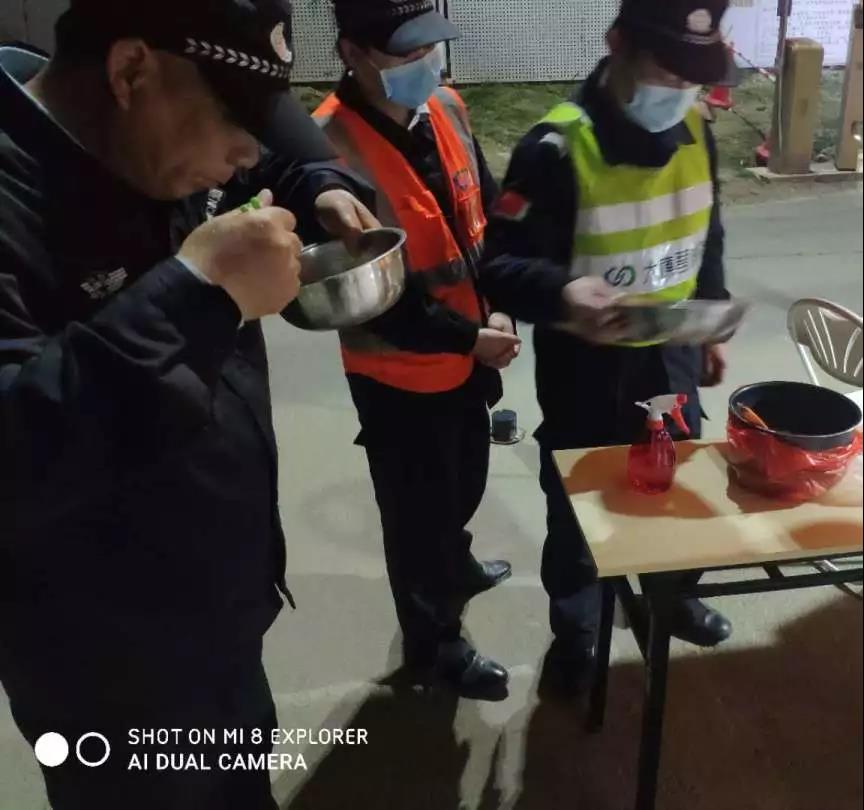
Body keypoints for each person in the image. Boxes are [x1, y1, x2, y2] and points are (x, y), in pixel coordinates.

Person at [0, 1, 378, 808]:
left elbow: (269, 165)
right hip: (107, 673)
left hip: (218, 615)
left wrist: (320, 185)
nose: (247, 153)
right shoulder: (17, 199)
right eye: (236, 119)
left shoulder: (148, 141)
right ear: (130, 70)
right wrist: (198, 294)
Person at [480, 0, 735, 694]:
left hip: (672, 355)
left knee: (675, 484)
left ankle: (671, 596)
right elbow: (498, 265)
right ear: (617, 42)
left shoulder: (695, 125)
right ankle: (577, 632)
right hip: (586, 370)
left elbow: (706, 230)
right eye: (667, 67)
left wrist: (710, 321)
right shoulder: (557, 148)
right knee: (579, 511)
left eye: (693, 73)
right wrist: (564, 292)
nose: (680, 86)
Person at [311, 0, 521, 700]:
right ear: (353, 52)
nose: (426, 64)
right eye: (405, 53)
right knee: (415, 518)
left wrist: (502, 304)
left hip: (469, 356)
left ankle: (455, 565)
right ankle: (436, 643)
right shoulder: (326, 147)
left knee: (463, 485)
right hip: (397, 372)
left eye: (430, 47)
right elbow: (368, 293)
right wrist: (470, 336)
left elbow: (488, 214)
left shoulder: (447, 108)